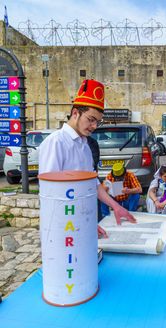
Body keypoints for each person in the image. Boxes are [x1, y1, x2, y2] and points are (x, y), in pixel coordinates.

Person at [39, 79, 136, 236]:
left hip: (81, 219)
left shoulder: (84, 145)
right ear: (75, 113)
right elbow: (51, 194)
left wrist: (116, 206)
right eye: (91, 120)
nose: (94, 126)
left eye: (97, 122)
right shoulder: (56, 142)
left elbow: (93, 184)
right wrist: (76, 222)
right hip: (63, 225)